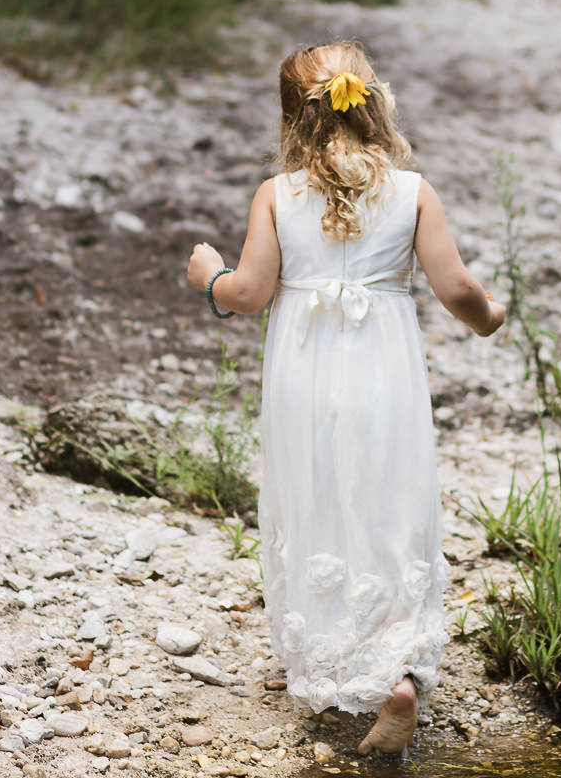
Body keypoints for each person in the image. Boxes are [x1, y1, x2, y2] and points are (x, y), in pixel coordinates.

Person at [187, 42, 505, 756]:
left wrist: (208, 275)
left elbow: (249, 294)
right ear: (374, 104)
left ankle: (332, 658)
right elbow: (456, 288)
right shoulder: (412, 191)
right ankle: (400, 672)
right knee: (389, 500)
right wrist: (491, 315)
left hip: (304, 374)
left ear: (290, 118)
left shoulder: (277, 195)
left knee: (317, 496)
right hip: (385, 371)